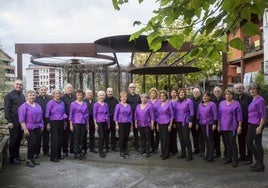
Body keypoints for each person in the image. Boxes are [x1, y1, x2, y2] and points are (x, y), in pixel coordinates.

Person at [18, 90, 43, 167]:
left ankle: (32, 159)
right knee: (31, 144)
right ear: (27, 97)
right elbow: (21, 120)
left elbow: (41, 116)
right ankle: (29, 160)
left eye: (33, 95)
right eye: (30, 95)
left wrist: (42, 126)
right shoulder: (23, 106)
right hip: (29, 128)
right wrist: (25, 129)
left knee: (35, 143)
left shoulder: (38, 105)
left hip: (37, 127)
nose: (32, 97)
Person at [218, 89, 242, 168]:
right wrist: (219, 125)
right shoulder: (221, 103)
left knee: (233, 143)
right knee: (226, 143)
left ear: (233, 95)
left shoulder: (236, 104)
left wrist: (239, 126)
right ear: (225, 95)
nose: (228, 96)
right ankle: (229, 158)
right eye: (227, 94)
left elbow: (239, 116)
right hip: (223, 126)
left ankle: (235, 160)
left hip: (232, 126)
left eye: (230, 94)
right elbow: (219, 115)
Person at [4, 79, 26, 164]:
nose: (19, 86)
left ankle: (17, 155)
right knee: (13, 139)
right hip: (13, 120)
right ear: (14, 85)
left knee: (19, 138)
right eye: (17, 84)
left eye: (20, 85)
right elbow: (7, 109)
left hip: (21, 121)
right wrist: (9, 121)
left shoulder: (22, 96)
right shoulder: (9, 96)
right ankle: (12, 158)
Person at [246, 83, 266, 172]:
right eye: (250, 89)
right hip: (251, 124)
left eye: (254, 89)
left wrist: (260, 126)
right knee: (249, 142)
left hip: (257, 124)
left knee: (257, 144)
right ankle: (258, 162)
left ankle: (260, 164)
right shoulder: (253, 99)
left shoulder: (260, 100)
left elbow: (263, 115)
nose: (252, 90)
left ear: (257, 90)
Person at [45, 89, 67, 162]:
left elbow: (63, 112)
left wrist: (65, 121)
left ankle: (58, 155)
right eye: (56, 93)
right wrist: (48, 123)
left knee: (60, 139)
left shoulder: (62, 103)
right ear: (54, 94)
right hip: (53, 122)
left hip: (61, 122)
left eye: (59, 93)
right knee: (55, 140)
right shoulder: (50, 103)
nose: (58, 95)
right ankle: (53, 157)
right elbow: (47, 114)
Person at [234, 83, 253, 164]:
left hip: (248, 122)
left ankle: (249, 158)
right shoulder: (235, 98)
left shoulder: (249, 97)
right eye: (237, 88)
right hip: (239, 123)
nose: (239, 89)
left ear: (243, 88)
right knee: (240, 140)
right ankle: (242, 156)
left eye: (240, 88)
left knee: (248, 140)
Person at [173, 88, 194, 161]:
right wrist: (174, 122)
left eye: (182, 92)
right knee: (181, 138)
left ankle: (190, 154)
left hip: (186, 121)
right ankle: (183, 153)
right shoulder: (176, 102)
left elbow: (192, 112)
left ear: (185, 93)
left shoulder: (189, 101)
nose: (181, 94)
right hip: (178, 121)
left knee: (186, 138)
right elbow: (175, 112)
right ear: (178, 94)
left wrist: (191, 121)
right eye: (180, 93)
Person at [196, 92, 218, 162]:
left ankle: (211, 155)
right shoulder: (200, 105)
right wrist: (197, 123)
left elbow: (215, 114)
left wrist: (215, 123)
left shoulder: (212, 104)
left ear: (209, 97)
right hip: (202, 123)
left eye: (206, 96)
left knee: (210, 139)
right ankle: (207, 154)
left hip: (210, 124)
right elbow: (198, 114)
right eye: (203, 96)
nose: (204, 98)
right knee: (205, 139)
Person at [69, 89, 88, 160]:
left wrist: (87, 124)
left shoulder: (85, 104)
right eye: (78, 95)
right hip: (75, 122)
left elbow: (87, 114)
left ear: (82, 95)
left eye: (81, 95)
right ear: (76, 96)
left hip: (83, 122)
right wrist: (71, 125)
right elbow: (71, 115)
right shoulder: (73, 104)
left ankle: (80, 152)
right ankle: (76, 153)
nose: (80, 96)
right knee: (76, 138)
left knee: (82, 138)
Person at [135, 93, 154, 158]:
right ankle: (143, 150)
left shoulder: (149, 106)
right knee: (142, 137)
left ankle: (148, 151)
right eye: (142, 97)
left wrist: (152, 124)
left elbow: (152, 116)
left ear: (147, 99)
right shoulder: (138, 106)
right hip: (140, 124)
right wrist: (135, 123)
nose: (144, 99)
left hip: (147, 124)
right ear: (140, 99)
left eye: (145, 98)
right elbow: (136, 115)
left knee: (147, 138)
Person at [114, 92, 133, 158]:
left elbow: (131, 115)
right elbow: (115, 115)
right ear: (120, 98)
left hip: (127, 123)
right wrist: (116, 125)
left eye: (125, 97)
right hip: (120, 123)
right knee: (122, 137)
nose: (124, 98)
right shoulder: (118, 105)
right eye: (122, 97)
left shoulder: (129, 105)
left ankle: (125, 149)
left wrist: (131, 124)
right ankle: (121, 151)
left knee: (126, 137)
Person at [156, 90, 174, 160]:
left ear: (166, 96)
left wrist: (170, 124)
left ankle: (166, 154)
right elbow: (157, 115)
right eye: (161, 96)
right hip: (160, 123)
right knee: (162, 139)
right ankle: (163, 152)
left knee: (166, 139)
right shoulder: (159, 104)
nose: (162, 97)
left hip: (167, 123)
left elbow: (172, 115)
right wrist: (157, 125)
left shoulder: (169, 103)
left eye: (163, 96)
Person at [35, 85, 51, 157]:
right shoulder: (36, 99)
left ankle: (46, 151)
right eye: (42, 90)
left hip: (47, 121)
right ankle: (37, 152)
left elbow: (51, 111)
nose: (43, 91)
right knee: (37, 137)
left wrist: (48, 123)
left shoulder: (49, 99)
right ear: (39, 91)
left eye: (44, 90)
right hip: (38, 121)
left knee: (46, 137)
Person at [93, 90, 110, 158]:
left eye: (103, 95)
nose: (102, 96)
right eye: (100, 95)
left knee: (105, 137)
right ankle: (100, 152)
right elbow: (94, 115)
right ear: (98, 96)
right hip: (99, 122)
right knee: (101, 137)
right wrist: (95, 124)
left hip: (105, 122)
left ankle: (103, 150)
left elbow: (108, 114)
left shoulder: (106, 104)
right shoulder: (96, 105)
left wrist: (108, 123)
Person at [61, 83, 76, 157]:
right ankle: (65, 150)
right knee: (65, 136)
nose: (69, 89)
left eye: (70, 88)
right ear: (65, 89)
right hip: (66, 119)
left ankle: (72, 149)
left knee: (73, 135)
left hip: (74, 119)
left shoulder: (74, 97)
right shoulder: (62, 98)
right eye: (68, 88)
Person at [212, 86, 226, 159]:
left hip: (224, 122)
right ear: (213, 93)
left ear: (221, 92)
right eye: (215, 92)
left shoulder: (225, 100)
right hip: (215, 122)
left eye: (218, 91)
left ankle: (226, 154)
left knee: (225, 139)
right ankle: (217, 152)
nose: (217, 93)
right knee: (216, 138)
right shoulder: (212, 101)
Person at [127, 83, 141, 152]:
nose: (133, 88)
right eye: (131, 87)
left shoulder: (138, 97)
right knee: (126, 132)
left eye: (134, 87)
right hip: (127, 118)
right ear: (129, 88)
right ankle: (125, 147)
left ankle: (137, 146)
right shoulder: (126, 96)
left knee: (136, 132)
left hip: (136, 117)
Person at [83, 89, 97, 153]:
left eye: (91, 93)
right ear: (86, 94)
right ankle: (84, 148)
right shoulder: (83, 102)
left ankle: (92, 148)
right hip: (85, 120)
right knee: (84, 135)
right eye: (88, 93)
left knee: (92, 134)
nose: (90, 94)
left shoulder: (95, 102)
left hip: (93, 120)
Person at [104, 87, 119, 152]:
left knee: (113, 133)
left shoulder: (115, 100)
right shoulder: (104, 100)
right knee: (106, 133)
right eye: (109, 91)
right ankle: (106, 147)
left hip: (113, 118)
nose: (110, 93)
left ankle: (113, 147)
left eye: (111, 91)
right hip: (106, 119)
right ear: (106, 92)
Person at [191, 87, 203, 155]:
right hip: (193, 121)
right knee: (194, 135)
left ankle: (202, 149)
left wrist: (197, 123)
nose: (195, 93)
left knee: (201, 136)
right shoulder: (191, 100)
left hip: (200, 121)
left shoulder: (202, 100)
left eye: (197, 92)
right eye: (194, 92)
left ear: (199, 93)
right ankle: (196, 148)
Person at [148, 88, 160, 153]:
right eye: (151, 93)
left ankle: (156, 147)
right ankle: (152, 146)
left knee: (158, 133)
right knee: (151, 133)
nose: (153, 94)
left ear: (156, 94)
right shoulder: (148, 101)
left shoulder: (159, 101)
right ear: (150, 94)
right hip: (150, 120)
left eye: (154, 93)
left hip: (157, 119)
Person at [169, 88, 178, 155]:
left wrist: (174, 122)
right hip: (170, 120)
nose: (173, 94)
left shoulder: (178, 101)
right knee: (170, 135)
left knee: (174, 136)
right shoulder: (169, 101)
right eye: (172, 92)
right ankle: (170, 149)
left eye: (174, 92)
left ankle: (174, 150)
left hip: (176, 120)